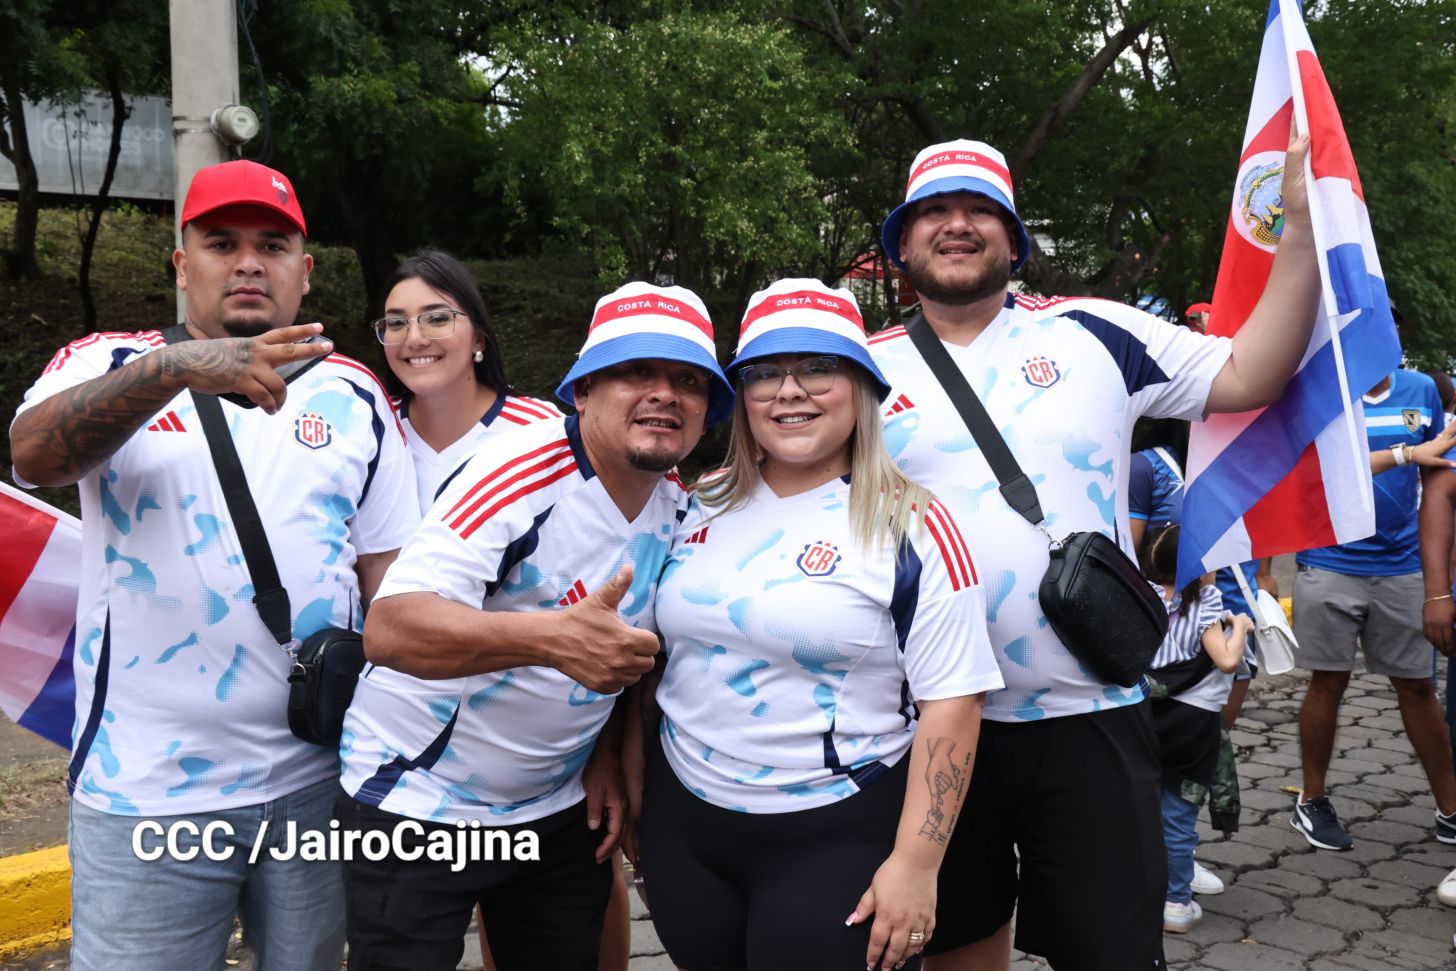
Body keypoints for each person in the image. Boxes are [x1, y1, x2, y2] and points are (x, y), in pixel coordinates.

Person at [867, 136, 1322, 970]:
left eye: (980, 212)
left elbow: (1251, 373)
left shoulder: (1095, 331)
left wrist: (1298, 231)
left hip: (1091, 717)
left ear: (1014, 241)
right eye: (934, 212)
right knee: (958, 947)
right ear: (903, 243)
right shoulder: (856, 369)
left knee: (1112, 950)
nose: (957, 226)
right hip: (924, 722)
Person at [8, 160, 416, 970]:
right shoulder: (105, 360)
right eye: (221, 242)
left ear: (306, 270)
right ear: (181, 264)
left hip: (312, 784)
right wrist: (175, 368)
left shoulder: (355, 393)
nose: (248, 261)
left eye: (273, 244)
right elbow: (34, 457)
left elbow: (392, 586)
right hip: (144, 790)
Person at [337, 282, 732, 971]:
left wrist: (606, 751)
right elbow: (391, 628)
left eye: (689, 380)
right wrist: (552, 637)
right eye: (637, 371)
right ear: (582, 391)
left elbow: (623, 649)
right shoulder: (518, 472)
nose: (665, 393)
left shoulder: (678, 510)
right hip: (419, 798)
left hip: (554, 806)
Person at [637, 278, 1002, 971]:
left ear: (862, 386)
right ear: (741, 395)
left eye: (818, 367)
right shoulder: (691, 503)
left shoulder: (915, 524)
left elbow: (955, 701)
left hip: (838, 832)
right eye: (765, 372)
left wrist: (918, 864)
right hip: (687, 827)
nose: (789, 390)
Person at [370, 249, 632, 971]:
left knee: (552, 911)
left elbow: (607, 604)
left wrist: (603, 745)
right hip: (400, 731)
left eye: (436, 316)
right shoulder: (372, 433)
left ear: (478, 334)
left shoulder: (546, 432)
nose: (414, 336)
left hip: (536, 751)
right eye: (395, 322)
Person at [1292, 367, 1456, 852]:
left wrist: (1440, 580)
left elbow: (1440, 482)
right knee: (1328, 680)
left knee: (1417, 686)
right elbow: (1314, 470)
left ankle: (1450, 808)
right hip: (1329, 559)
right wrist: (1404, 453)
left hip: (1402, 564)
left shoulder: (1421, 390)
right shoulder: (1323, 390)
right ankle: (1312, 800)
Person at [1141, 525, 1251, 934]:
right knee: (1178, 815)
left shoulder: (1144, 595)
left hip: (1146, 719)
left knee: (1143, 807)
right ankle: (1176, 902)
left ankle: (1138, 891)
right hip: (1192, 726)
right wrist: (1239, 627)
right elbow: (1225, 661)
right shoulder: (1206, 601)